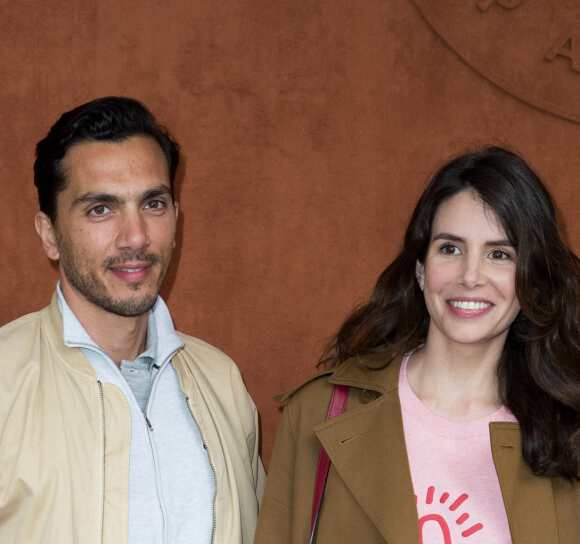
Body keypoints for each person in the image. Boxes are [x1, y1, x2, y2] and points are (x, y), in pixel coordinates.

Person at [254, 146, 580, 543]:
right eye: (450, 248)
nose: (470, 276)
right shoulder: (318, 412)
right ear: (421, 270)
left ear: (533, 278)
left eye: (499, 254)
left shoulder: (570, 436)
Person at [0, 96, 265, 543]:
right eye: (100, 209)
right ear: (50, 235)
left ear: (177, 219)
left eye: (154, 204)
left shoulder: (222, 382)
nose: (137, 236)